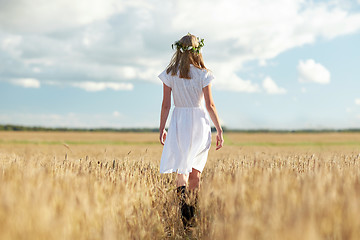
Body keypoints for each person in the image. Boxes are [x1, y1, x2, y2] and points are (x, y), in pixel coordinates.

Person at [158, 33, 223, 228]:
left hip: (179, 122)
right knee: (196, 172)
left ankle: (184, 213)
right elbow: (210, 105)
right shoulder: (204, 74)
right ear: (197, 50)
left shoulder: (170, 73)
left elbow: (165, 105)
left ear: (178, 50)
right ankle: (192, 214)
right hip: (200, 123)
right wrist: (219, 129)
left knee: (182, 169)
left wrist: (162, 128)